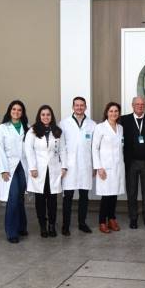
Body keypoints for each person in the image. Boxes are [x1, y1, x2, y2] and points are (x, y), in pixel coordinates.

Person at [25, 105, 67, 238]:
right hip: (38, 170)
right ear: (39, 116)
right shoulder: (32, 131)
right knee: (40, 200)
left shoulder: (57, 131)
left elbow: (63, 150)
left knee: (52, 200)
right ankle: (43, 226)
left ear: (51, 116)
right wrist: (32, 167)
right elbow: (28, 150)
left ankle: (52, 225)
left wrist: (64, 166)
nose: (45, 117)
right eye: (43, 114)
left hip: (54, 170)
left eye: (48, 114)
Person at [59, 96, 96, 236]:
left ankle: (82, 223)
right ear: (73, 107)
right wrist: (63, 166)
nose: (79, 107)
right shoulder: (64, 124)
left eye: (82, 105)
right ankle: (65, 225)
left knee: (84, 196)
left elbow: (94, 148)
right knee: (68, 197)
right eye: (77, 105)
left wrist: (94, 166)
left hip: (85, 165)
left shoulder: (92, 125)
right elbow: (61, 147)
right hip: (69, 166)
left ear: (85, 107)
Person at [0, 100, 29, 243]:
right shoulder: (2, 128)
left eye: (19, 110)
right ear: (10, 111)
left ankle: (21, 226)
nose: (16, 112)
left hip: (23, 166)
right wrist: (3, 169)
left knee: (20, 197)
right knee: (13, 198)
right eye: (14, 109)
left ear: (22, 112)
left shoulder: (27, 128)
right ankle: (11, 232)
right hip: (9, 167)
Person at [122, 96, 145, 229]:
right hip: (131, 162)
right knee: (131, 192)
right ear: (132, 105)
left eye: (142, 104)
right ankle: (133, 218)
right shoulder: (124, 120)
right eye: (137, 104)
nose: (140, 106)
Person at [92, 102, 125, 234]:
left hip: (117, 167)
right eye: (111, 111)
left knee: (113, 195)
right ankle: (102, 222)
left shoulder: (120, 128)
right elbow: (95, 148)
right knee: (106, 196)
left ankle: (112, 219)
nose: (113, 113)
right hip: (105, 167)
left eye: (116, 111)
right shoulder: (100, 127)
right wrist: (98, 167)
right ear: (106, 112)